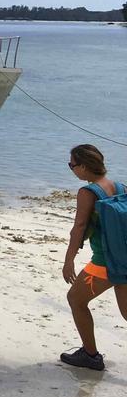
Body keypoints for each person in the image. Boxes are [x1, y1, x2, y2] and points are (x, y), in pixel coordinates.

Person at [60, 144, 126, 371]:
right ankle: (90, 355)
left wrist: (68, 261)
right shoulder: (120, 186)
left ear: (84, 166)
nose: (72, 169)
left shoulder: (87, 193)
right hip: (124, 259)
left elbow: (78, 227)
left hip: (105, 262)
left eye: (72, 165)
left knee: (76, 300)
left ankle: (90, 356)